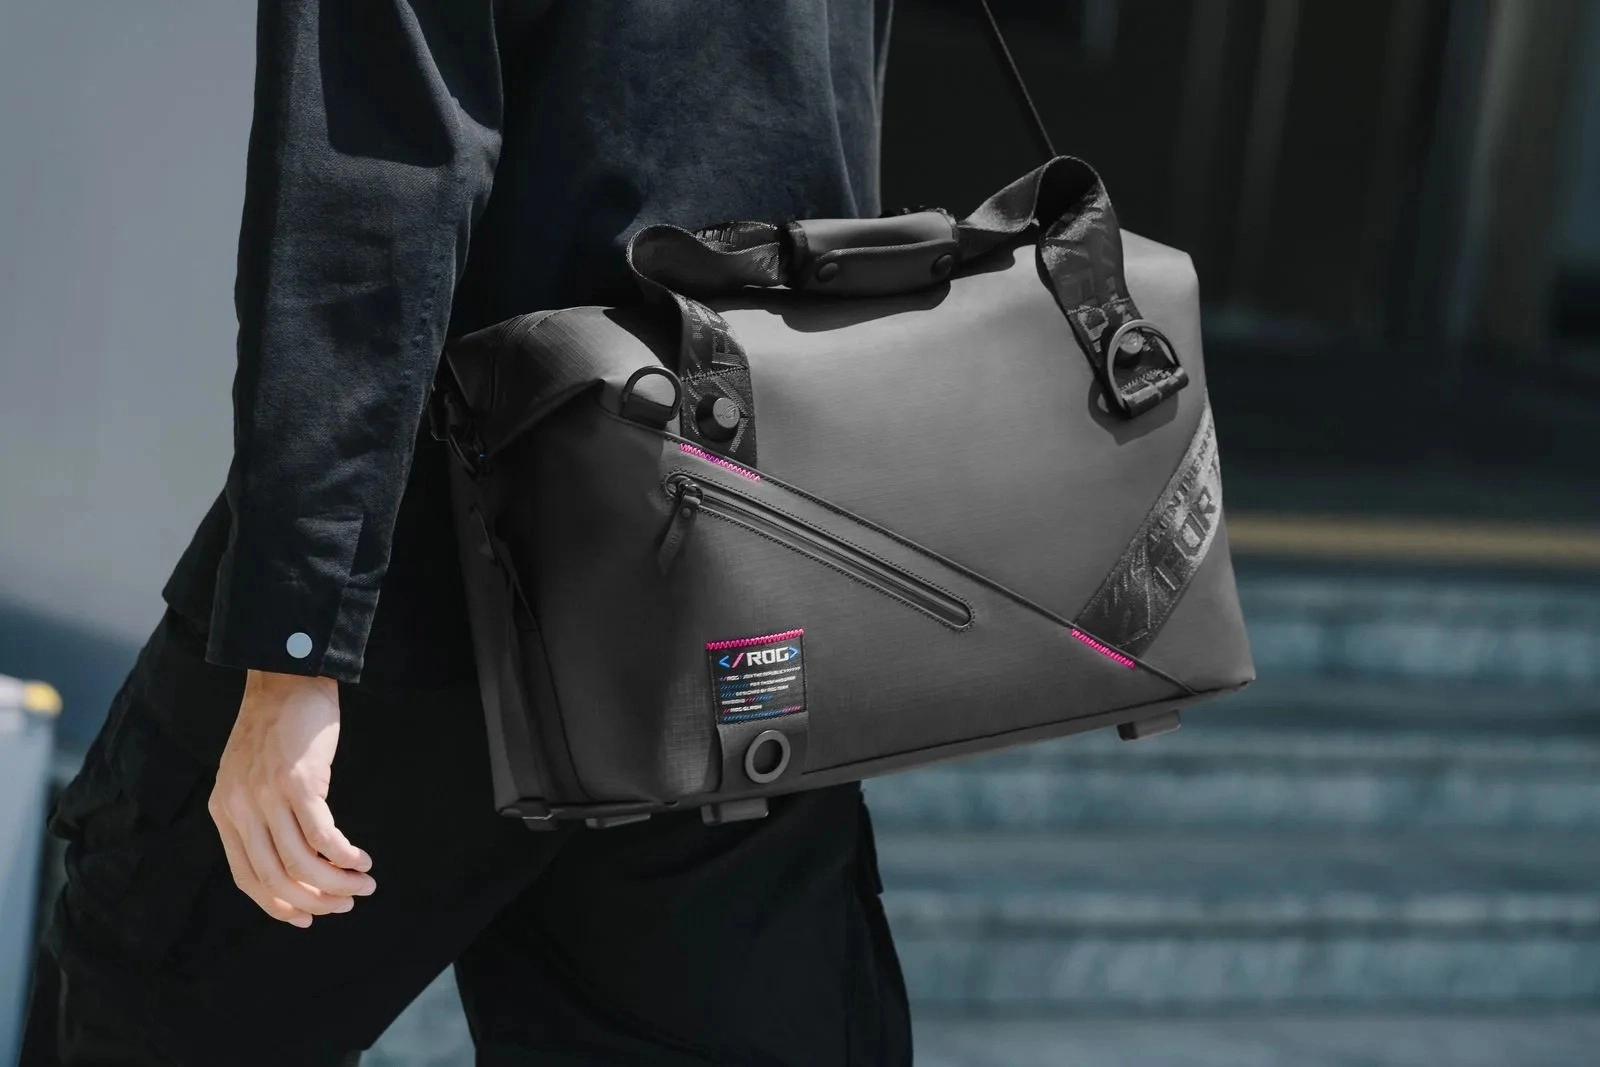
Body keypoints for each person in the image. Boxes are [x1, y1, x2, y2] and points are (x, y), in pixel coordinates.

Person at [24, 2, 911, 1063]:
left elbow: (375, 181)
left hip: (443, 572)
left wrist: (295, 642)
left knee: (153, 1000)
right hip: (746, 567)